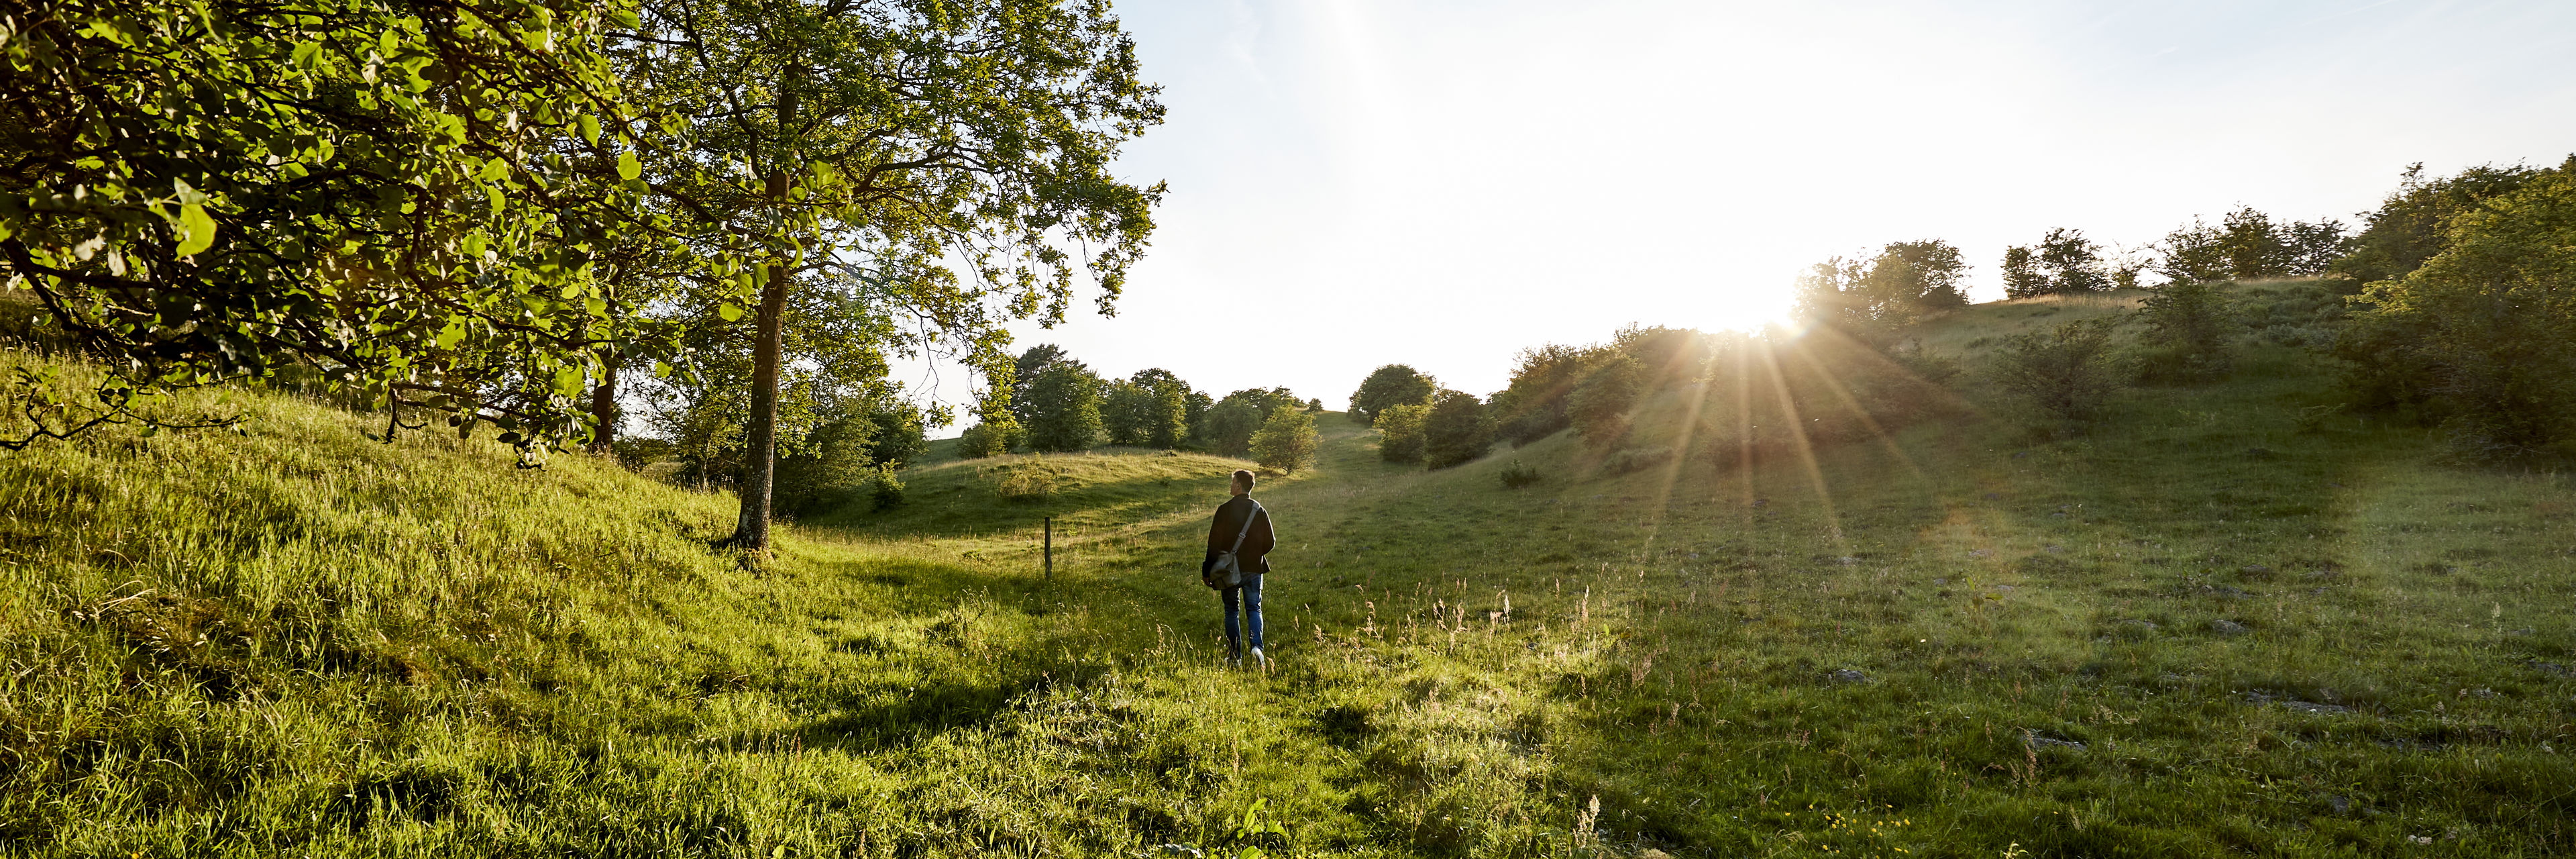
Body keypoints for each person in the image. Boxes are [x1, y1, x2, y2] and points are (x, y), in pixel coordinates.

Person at [1202, 468, 1275, 668]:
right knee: (1254, 608)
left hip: (1228, 570)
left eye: (1232, 482)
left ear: (1238, 485)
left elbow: (1213, 545)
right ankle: (1257, 648)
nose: (1230, 485)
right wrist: (1254, 554)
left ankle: (1236, 657)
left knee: (1231, 611)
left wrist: (1207, 570)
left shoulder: (1224, 510)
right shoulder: (1259, 510)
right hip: (1254, 568)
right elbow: (1271, 542)